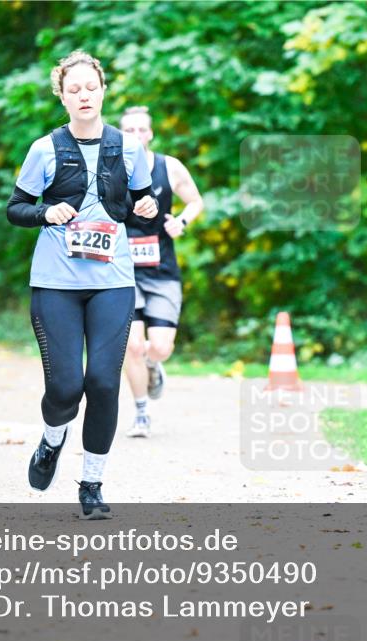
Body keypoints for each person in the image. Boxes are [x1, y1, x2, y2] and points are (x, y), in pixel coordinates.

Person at [6, 51, 158, 519]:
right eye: (73, 90)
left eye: (90, 87)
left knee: (103, 383)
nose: (83, 95)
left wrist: (147, 207)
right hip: (56, 283)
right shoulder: (44, 149)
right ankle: (52, 440)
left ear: (103, 90)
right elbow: (16, 208)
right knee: (67, 386)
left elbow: (139, 201)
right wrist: (46, 212)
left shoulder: (129, 149)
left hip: (112, 280)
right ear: (63, 96)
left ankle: (91, 484)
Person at [119, 106, 204, 438]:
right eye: (129, 130)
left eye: (142, 130)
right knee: (133, 346)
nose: (136, 136)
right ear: (121, 135)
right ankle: (141, 413)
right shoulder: (112, 171)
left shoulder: (169, 167)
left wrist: (181, 221)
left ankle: (155, 365)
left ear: (150, 134)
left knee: (161, 347)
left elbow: (195, 201)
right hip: (123, 272)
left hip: (162, 270)